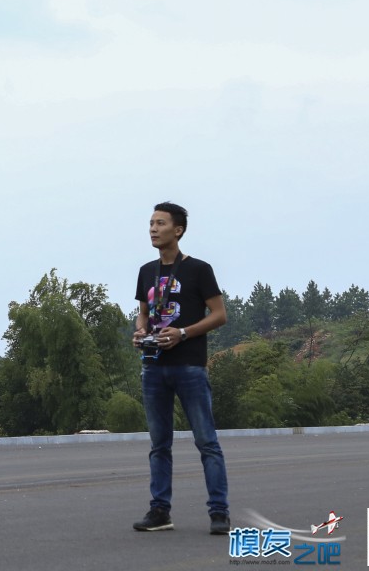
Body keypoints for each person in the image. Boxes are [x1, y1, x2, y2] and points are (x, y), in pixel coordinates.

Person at [131, 201, 230, 535]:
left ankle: (219, 512)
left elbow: (219, 314)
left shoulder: (199, 269)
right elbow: (144, 312)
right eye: (150, 224)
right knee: (159, 445)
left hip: (189, 366)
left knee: (206, 442)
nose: (153, 229)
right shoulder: (146, 270)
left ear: (179, 230)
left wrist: (184, 332)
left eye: (160, 223)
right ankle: (160, 511)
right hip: (153, 368)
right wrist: (140, 331)